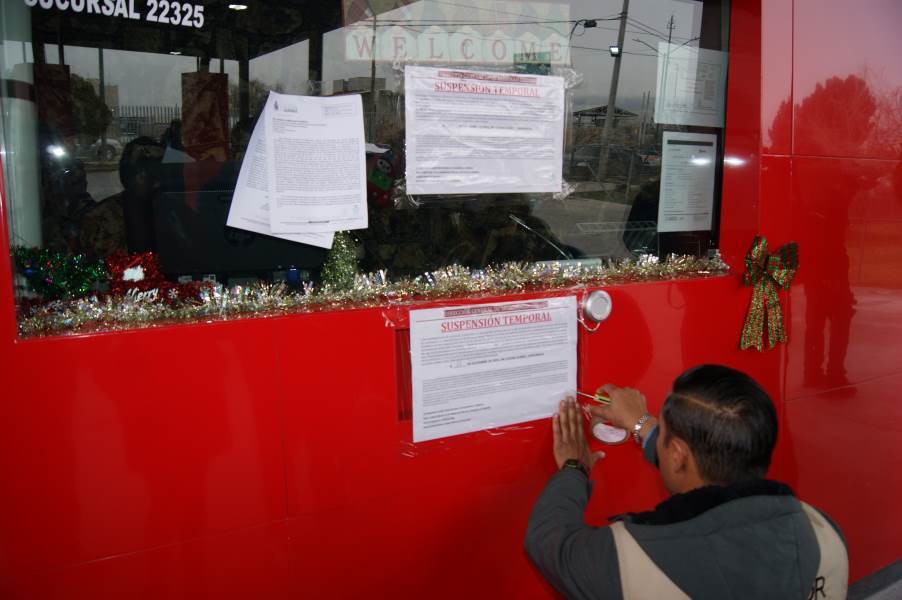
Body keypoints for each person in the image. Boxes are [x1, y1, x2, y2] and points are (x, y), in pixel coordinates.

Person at [525, 365, 848, 599]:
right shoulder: (825, 534)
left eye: (664, 434)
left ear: (678, 455)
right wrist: (644, 426)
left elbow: (548, 540)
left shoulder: (626, 559)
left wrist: (573, 467)